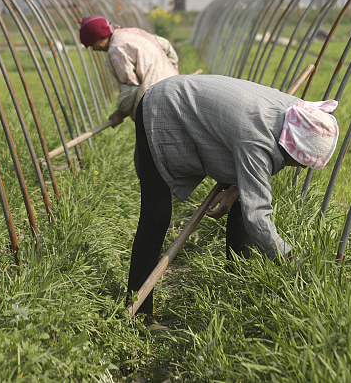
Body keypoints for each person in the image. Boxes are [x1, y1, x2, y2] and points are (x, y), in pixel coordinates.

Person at [128, 74, 339, 320]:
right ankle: (140, 315)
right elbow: (257, 216)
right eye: (303, 161)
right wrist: (289, 258)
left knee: (244, 200)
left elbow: (255, 175)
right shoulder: (258, 139)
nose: (303, 168)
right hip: (163, 107)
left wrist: (235, 189)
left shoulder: (298, 116)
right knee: (157, 216)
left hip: (218, 117)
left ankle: (239, 285)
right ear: (292, 146)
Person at [79, 15, 178, 127]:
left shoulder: (116, 49)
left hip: (154, 104)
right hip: (174, 91)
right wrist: (174, 72)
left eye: (92, 44)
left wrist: (120, 112)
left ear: (99, 37)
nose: (94, 49)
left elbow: (131, 87)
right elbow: (165, 44)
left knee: (152, 143)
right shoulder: (133, 33)